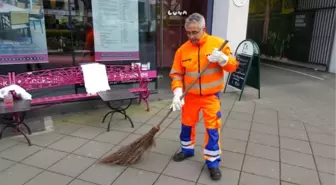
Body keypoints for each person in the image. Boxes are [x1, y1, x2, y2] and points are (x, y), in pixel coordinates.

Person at [169, 13, 239, 181]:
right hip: (190, 96)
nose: (192, 36)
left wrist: (223, 59)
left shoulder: (217, 44)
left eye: (195, 32)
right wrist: (177, 92)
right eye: (189, 33)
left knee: (212, 129)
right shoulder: (182, 50)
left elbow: (233, 66)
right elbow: (176, 74)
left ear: (204, 29)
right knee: (186, 125)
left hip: (211, 97)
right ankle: (187, 150)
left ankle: (212, 162)